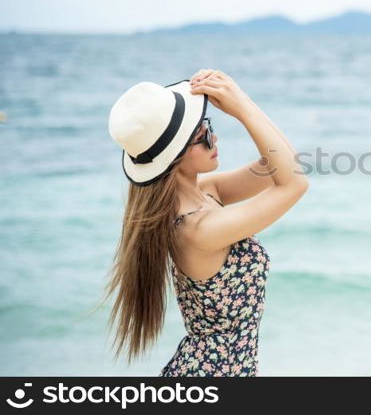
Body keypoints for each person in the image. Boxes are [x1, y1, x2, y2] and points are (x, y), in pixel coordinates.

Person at [104, 69, 309, 376]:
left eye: (208, 127)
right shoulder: (197, 229)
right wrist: (241, 108)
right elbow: (294, 183)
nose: (214, 139)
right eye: (202, 136)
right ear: (174, 156)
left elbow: (283, 164)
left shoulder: (205, 193)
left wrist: (246, 103)